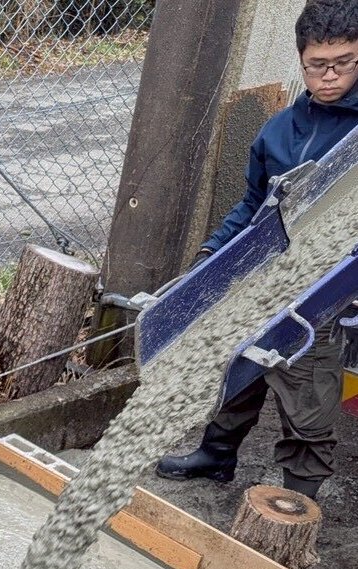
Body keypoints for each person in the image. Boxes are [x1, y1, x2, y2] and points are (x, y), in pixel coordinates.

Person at [156, 0, 358, 500]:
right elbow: (250, 206)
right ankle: (218, 455)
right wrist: (211, 258)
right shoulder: (279, 132)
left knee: (308, 393)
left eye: (345, 63)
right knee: (238, 362)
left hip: (324, 290)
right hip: (265, 274)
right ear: (301, 61)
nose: (330, 76)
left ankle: (299, 499)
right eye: (317, 65)